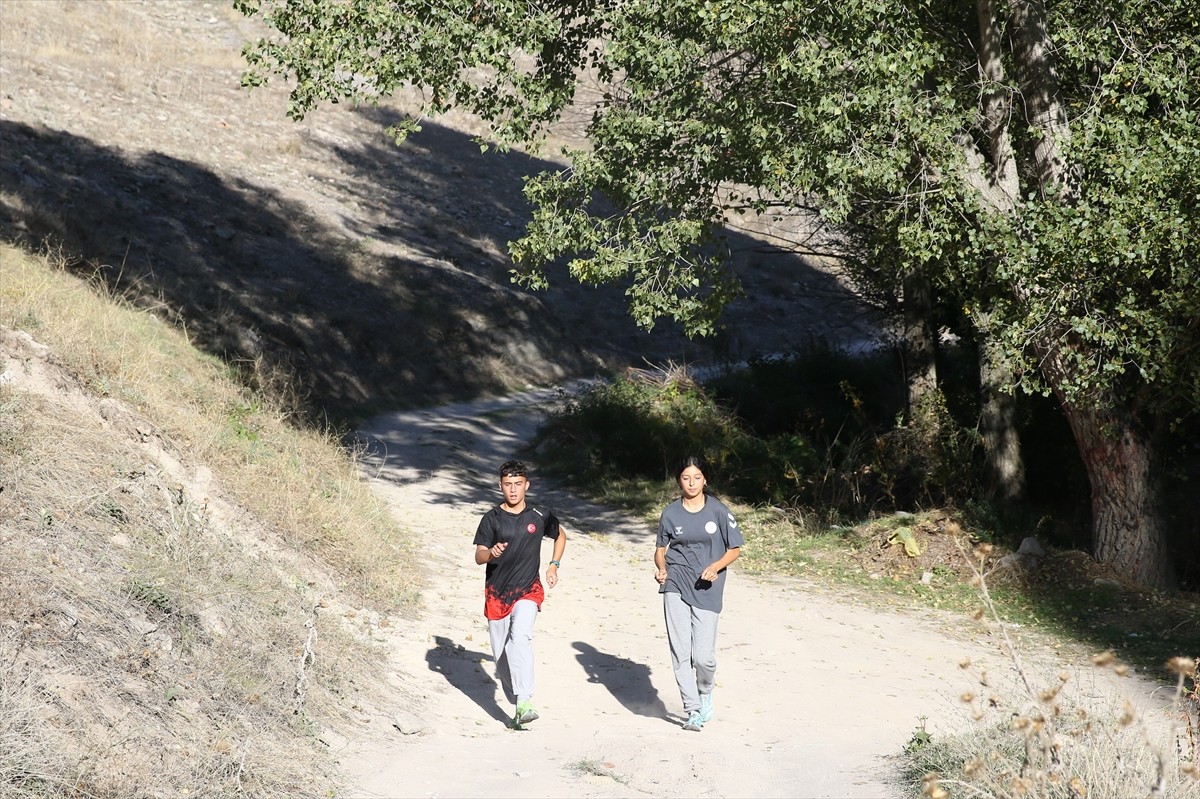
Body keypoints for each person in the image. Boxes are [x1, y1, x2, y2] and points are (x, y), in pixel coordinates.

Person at [473, 459, 566, 728]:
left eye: (518, 484)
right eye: (507, 484)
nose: (513, 490)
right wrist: (491, 553)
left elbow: (560, 536)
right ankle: (518, 703)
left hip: (528, 590)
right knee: (502, 658)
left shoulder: (539, 515)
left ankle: (525, 700)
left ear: (527, 485)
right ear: (500, 486)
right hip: (497, 595)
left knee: (521, 638)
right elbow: (479, 556)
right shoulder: (491, 519)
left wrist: (553, 565)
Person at [654, 455, 744, 732]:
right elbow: (660, 550)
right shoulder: (670, 513)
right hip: (676, 582)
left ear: (705, 480)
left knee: (703, 657)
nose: (691, 483)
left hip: (707, 587)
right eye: (686, 478)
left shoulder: (719, 511)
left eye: (696, 477)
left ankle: (705, 691)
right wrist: (662, 569)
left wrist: (715, 567)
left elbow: (735, 549)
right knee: (680, 651)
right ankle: (692, 709)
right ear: (678, 481)